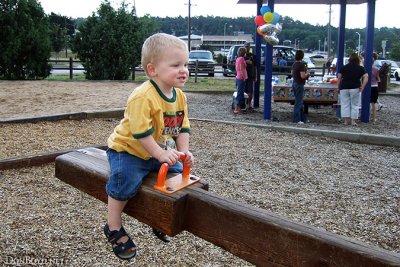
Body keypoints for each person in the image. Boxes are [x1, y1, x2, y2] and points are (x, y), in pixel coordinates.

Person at [104, 33, 194, 260]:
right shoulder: (143, 96)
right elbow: (140, 133)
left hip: (156, 150)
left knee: (175, 179)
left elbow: (182, 127)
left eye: (185, 64)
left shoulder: (180, 96)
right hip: (128, 150)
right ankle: (113, 226)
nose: (183, 69)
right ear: (153, 70)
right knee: (125, 181)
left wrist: (183, 153)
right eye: (176, 65)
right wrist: (161, 153)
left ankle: (158, 217)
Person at [337, 52, 368, 126]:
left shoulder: (344, 67)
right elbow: (366, 77)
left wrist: (338, 87)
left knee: (345, 104)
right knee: (355, 105)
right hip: (355, 87)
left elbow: (339, 77)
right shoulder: (360, 68)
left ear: (349, 59)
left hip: (344, 87)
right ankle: (353, 121)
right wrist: (362, 86)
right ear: (358, 60)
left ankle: (346, 121)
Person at [291, 50, 310, 124]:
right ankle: (296, 119)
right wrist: (307, 74)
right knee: (298, 102)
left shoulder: (294, 64)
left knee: (299, 102)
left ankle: (302, 119)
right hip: (299, 84)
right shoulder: (301, 65)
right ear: (302, 56)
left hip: (294, 83)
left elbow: (292, 73)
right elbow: (302, 76)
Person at [244, 42, 257, 110]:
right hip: (243, 76)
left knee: (250, 91)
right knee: (243, 90)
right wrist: (246, 61)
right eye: (246, 46)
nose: (247, 48)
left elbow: (255, 67)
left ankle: (249, 104)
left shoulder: (253, 56)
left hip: (250, 75)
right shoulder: (242, 56)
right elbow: (238, 62)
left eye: (248, 46)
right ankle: (244, 104)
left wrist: (255, 76)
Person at [234, 46, 248, 114]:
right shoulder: (242, 59)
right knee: (240, 93)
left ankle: (237, 107)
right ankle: (237, 108)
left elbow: (237, 69)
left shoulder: (238, 59)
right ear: (244, 52)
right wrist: (244, 77)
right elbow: (242, 69)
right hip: (241, 78)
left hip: (238, 77)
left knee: (239, 92)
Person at [370, 52, 380, 123]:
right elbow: (378, 79)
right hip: (374, 86)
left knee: (364, 102)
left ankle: (365, 116)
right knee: (373, 103)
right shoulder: (376, 69)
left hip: (367, 87)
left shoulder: (364, 68)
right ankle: (374, 119)